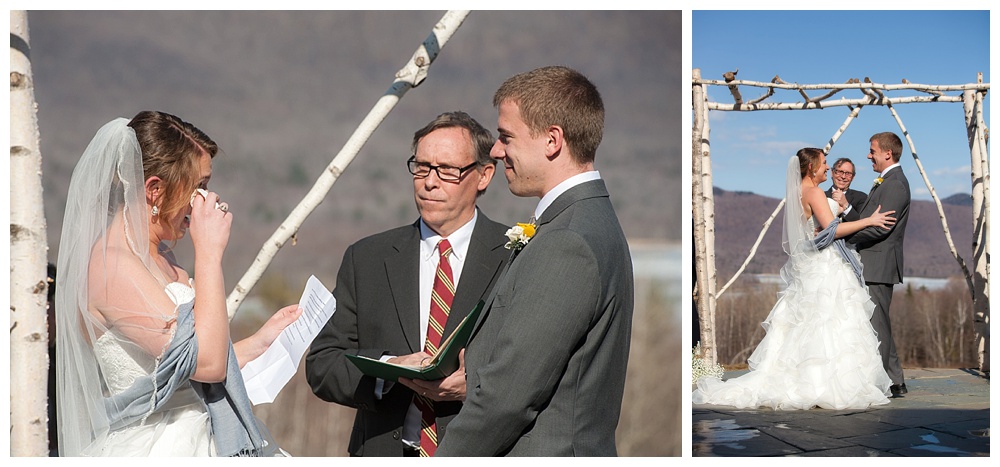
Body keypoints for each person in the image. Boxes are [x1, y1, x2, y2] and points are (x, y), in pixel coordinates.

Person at [55, 111, 302, 456]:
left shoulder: (164, 258)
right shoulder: (111, 267)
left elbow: (186, 366)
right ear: (155, 190)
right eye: (198, 186)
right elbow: (208, 365)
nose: (204, 199)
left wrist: (259, 342)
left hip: (204, 429)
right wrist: (209, 254)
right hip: (155, 444)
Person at [434, 66, 634, 456]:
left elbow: (507, 397)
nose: (495, 150)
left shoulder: (568, 241)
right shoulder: (582, 221)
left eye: (506, 137)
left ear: (552, 141)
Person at [305, 111, 510, 457]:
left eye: (447, 170)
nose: (430, 181)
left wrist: (475, 385)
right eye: (421, 166)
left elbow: (541, 368)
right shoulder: (367, 258)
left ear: (484, 175)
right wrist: (388, 370)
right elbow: (322, 364)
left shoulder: (514, 256)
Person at [692, 148, 895, 410]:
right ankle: (823, 384)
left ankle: (805, 377)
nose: (827, 168)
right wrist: (870, 220)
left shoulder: (798, 192)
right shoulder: (813, 192)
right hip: (824, 267)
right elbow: (833, 231)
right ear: (811, 168)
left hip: (809, 266)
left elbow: (815, 229)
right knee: (829, 322)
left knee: (808, 323)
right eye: (824, 164)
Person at [846, 132, 911, 396]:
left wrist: (846, 235)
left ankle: (890, 382)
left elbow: (881, 227)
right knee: (877, 323)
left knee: (878, 325)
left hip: (879, 263)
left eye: (872, 150)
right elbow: (868, 219)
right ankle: (895, 380)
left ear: (888, 153)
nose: (868, 155)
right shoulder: (886, 181)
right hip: (872, 262)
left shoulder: (895, 184)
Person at [825, 157, 868, 222]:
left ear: (853, 177)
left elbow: (863, 223)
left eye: (848, 173)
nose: (843, 177)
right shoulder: (822, 196)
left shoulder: (861, 198)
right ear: (832, 172)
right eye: (840, 171)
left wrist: (846, 205)